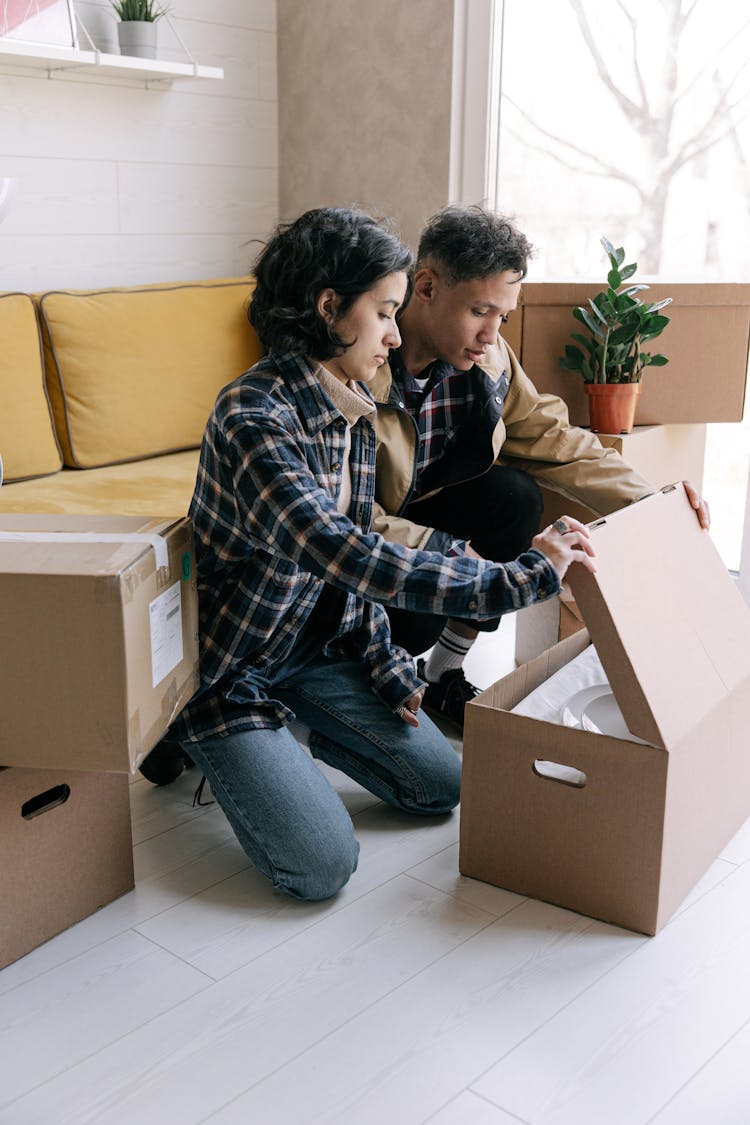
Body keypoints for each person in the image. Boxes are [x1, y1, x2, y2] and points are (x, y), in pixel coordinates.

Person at [150, 206, 595, 901]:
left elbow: (353, 573)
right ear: (331, 308)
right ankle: (192, 731)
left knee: (441, 785)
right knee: (321, 867)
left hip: (313, 650)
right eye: (384, 312)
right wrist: (521, 577)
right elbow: (346, 550)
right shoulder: (252, 418)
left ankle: (301, 735)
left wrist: (387, 668)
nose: (393, 334)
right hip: (233, 669)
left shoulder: (353, 406)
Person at [371, 205, 710, 729]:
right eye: (481, 310)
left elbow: (551, 436)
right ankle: (374, 667)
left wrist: (650, 502)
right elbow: (341, 514)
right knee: (414, 623)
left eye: (502, 315)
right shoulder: (359, 364)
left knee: (515, 496)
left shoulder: (489, 358)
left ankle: (442, 676)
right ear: (426, 287)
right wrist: (455, 558)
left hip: (428, 507)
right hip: (365, 538)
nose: (492, 332)